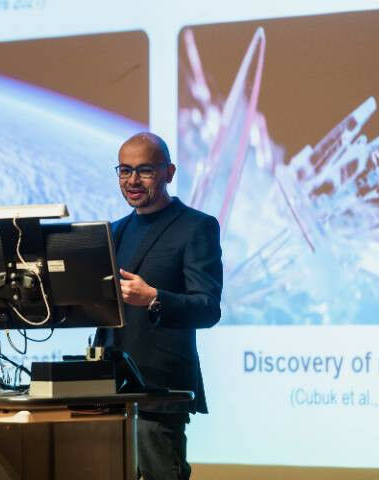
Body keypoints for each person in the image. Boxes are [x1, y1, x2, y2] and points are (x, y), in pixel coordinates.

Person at [94, 132, 223, 480]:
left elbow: (208, 307)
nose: (132, 180)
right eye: (124, 170)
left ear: (169, 172)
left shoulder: (197, 227)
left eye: (145, 171)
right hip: (105, 390)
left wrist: (153, 298)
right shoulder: (112, 231)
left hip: (157, 391)